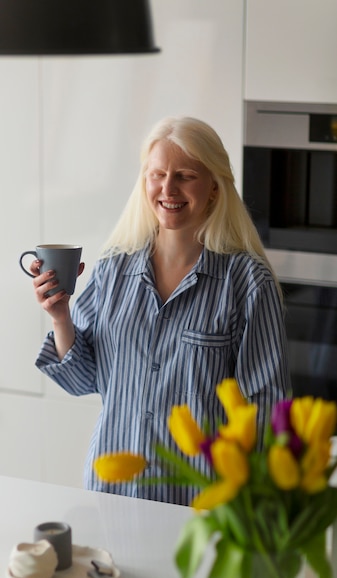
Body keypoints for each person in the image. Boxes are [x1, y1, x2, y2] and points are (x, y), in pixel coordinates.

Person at [30, 116, 290, 506]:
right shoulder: (114, 269)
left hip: (200, 508)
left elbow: (265, 411)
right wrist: (61, 317)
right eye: (157, 175)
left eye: (185, 175)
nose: (168, 189)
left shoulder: (247, 283)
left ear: (215, 188)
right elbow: (83, 379)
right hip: (112, 492)